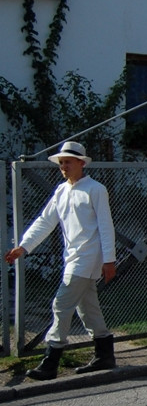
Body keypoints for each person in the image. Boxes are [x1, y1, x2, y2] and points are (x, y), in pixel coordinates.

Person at [4, 141, 117, 380]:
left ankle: (51, 361)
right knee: (87, 308)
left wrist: (109, 260)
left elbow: (106, 227)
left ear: (81, 163)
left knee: (61, 304)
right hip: (72, 256)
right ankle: (105, 354)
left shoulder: (95, 189)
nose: (64, 166)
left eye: (68, 162)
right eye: (61, 162)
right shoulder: (61, 191)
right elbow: (45, 221)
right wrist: (24, 246)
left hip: (88, 257)